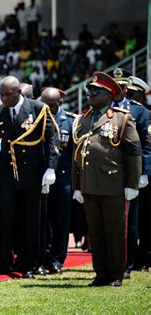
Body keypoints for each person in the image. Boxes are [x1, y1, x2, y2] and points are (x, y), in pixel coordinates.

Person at [0, 76, 59, 279]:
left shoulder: (38, 109)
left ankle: (30, 264)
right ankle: (5, 261)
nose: (4, 98)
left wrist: (51, 168)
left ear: (18, 92)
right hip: (7, 172)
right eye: (1, 95)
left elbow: (51, 139)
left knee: (31, 220)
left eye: (8, 94)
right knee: (5, 218)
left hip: (32, 172)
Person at [72, 71, 141, 287]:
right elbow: (76, 154)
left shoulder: (121, 118)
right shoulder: (83, 118)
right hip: (89, 185)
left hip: (113, 184)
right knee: (96, 232)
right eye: (90, 91)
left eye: (96, 91)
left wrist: (132, 184)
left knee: (115, 231)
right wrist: (77, 186)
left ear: (109, 95)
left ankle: (115, 275)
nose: (91, 94)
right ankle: (100, 273)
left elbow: (134, 152)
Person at [106, 68, 151, 279]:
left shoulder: (139, 111)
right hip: (106, 172)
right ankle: (107, 261)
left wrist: (144, 173)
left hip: (130, 173)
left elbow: (147, 145)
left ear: (125, 88)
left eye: (121, 87)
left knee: (129, 221)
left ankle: (126, 264)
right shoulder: (101, 108)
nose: (118, 90)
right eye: (114, 87)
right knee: (106, 219)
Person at [41, 87, 75, 274]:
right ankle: (43, 256)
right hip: (42, 178)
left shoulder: (70, 121)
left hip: (63, 179)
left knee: (61, 222)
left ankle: (57, 260)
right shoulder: (37, 118)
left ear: (59, 103)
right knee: (43, 221)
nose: (48, 109)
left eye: (52, 106)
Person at [127, 76, 151, 272]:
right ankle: (138, 258)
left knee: (143, 218)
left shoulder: (144, 114)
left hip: (143, 173)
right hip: (138, 173)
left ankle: (142, 257)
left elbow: (146, 146)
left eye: (134, 95)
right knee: (139, 218)